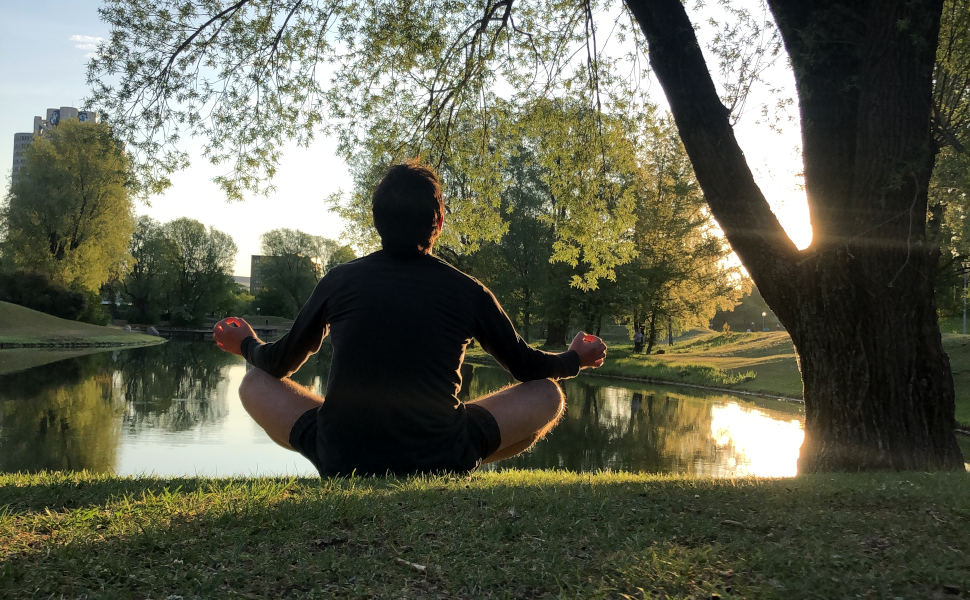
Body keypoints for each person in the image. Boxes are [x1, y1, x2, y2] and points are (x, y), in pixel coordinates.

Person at [213, 160, 607, 477]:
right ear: (438, 224)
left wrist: (246, 344)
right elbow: (527, 367)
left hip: (342, 458)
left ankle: (367, 449)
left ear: (376, 221)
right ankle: (449, 465)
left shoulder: (339, 281)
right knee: (548, 394)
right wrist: (575, 358)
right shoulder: (468, 290)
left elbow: (280, 363)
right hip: (440, 454)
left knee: (254, 379)